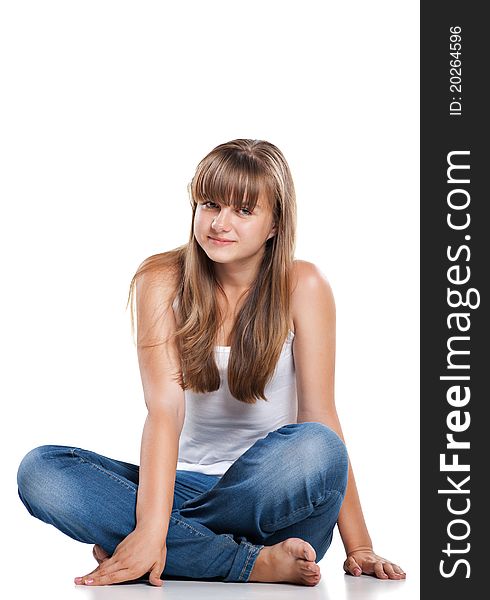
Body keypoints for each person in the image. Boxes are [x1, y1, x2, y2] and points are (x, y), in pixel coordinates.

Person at [17, 139, 406, 587]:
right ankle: (245, 562)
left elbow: (321, 415)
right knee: (42, 471)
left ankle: (161, 544)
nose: (220, 223)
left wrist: (360, 547)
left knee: (316, 445)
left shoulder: (303, 284)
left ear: (275, 223)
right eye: (210, 204)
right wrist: (149, 525)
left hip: (276, 502)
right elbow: (165, 412)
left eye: (243, 210)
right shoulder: (160, 279)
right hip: (184, 488)